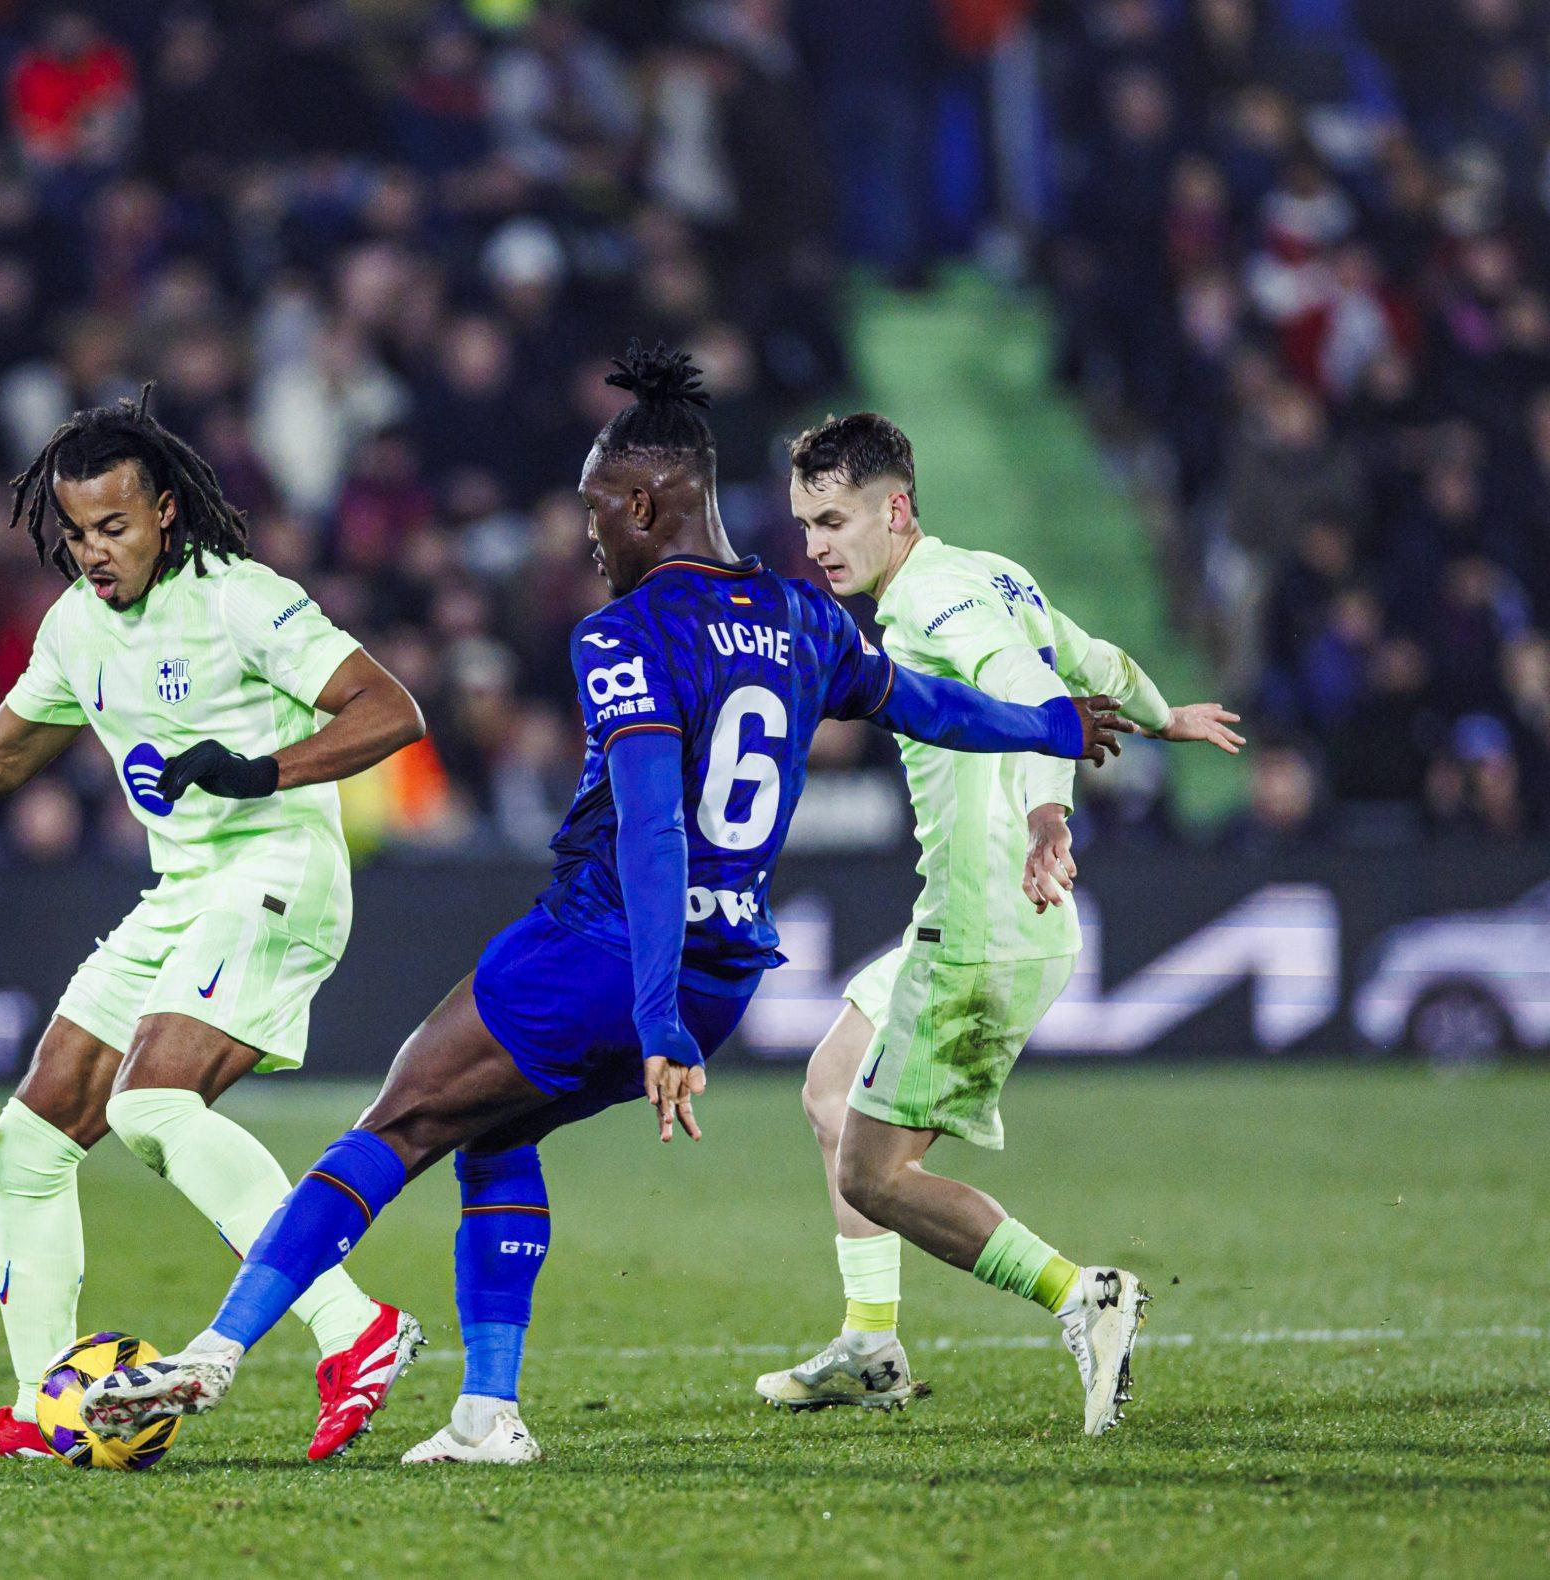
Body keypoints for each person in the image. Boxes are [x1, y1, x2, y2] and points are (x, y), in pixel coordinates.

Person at [77, 346, 1123, 1462]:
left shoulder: (624, 632)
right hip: (721, 970)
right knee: (492, 1135)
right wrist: (1053, 724)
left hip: (605, 949)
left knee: (398, 1118)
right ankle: (486, 1411)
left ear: (643, 500)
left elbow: (654, 828)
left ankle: (214, 1352)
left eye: (594, 512)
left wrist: (654, 1012)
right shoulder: (803, 619)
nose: (586, 536)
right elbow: (927, 705)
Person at [0, 388, 430, 1461]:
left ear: (162, 509)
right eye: (74, 532)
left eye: (113, 527)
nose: (93, 551)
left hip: (278, 869)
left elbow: (390, 709)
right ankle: (38, 1402)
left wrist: (260, 768)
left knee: (152, 1101)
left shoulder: (243, 598)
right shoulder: (73, 627)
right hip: (184, 887)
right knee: (32, 1135)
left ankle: (355, 1329)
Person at [755, 412, 1243, 1435]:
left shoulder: (934, 598)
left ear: (896, 508)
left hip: (986, 922)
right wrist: (1164, 715)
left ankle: (1083, 1294)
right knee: (829, 1086)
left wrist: (1046, 815)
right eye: (806, 523)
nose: (817, 544)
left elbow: (1032, 691)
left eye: (835, 518)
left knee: (873, 1173)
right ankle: (873, 1340)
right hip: (964, 913)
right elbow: (1091, 658)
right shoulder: (988, 572)